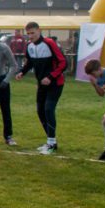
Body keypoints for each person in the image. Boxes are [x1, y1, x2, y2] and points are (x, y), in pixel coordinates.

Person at [16, 21, 67, 154]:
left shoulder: (49, 43)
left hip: (55, 83)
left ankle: (51, 143)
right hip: (41, 85)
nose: (30, 36)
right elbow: (30, 62)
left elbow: (63, 63)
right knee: (40, 111)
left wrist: (50, 77)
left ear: (39, 30)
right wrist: (22, 72)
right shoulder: (29, 46)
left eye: (32, 33)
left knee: (48, 109)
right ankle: (51, 142)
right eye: (28, 34)